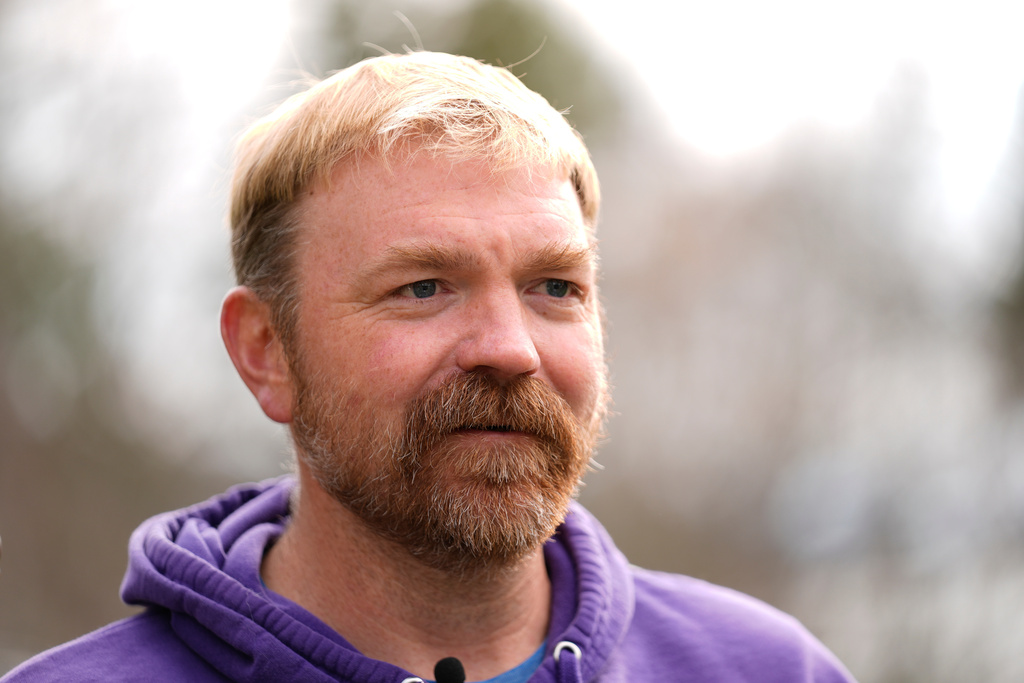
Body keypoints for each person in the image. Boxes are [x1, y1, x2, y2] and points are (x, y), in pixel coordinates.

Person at [2, 51, 856, 683]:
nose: (510, 348)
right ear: (266, 352)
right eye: (422, 287)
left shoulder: (770, 669)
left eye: (555, 286)